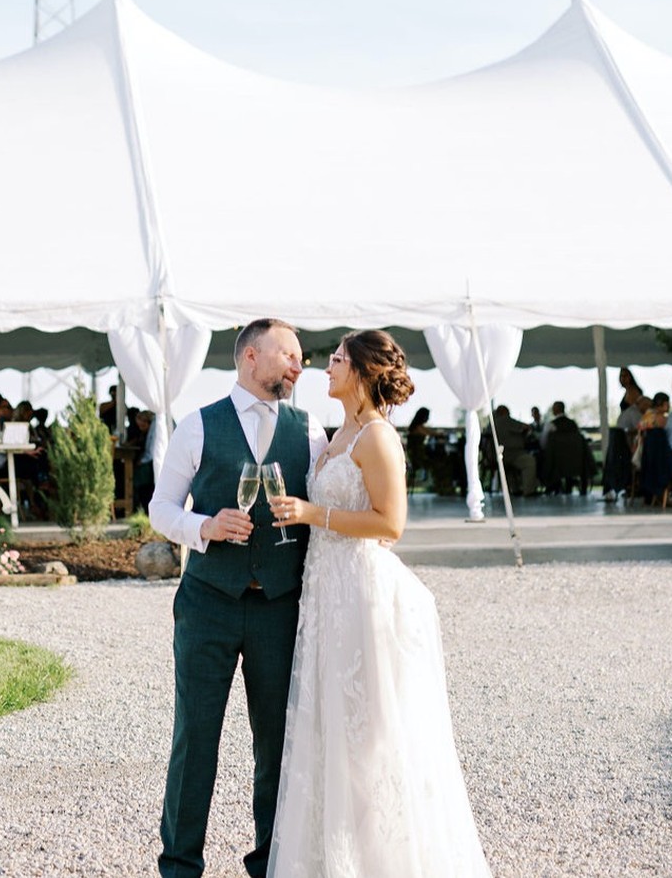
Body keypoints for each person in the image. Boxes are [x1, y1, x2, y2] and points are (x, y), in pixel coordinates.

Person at [265, 329, 492, 878]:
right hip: (325, 593)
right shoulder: (338, 433)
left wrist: (311, 514)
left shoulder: (377, 437)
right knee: (329, 732)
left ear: (364, 373)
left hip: (362, 594)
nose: (326, 367)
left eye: (338, 360)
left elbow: (391, 525)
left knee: (369, 737)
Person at [149, 319, 328, 878]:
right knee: (195, 738)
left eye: (301, 357)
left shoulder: (312, 429)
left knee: (276, 745)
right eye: (289, 354)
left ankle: (270, 864)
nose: (299, 365)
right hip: (208, 604)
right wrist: (205, 526)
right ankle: (180, 867)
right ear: (251, 355)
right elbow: (162, 509)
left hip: (280, 606)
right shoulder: (197, 426)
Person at [490, 404, 537, 497]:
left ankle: (515, 488)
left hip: (497, 456)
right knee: (529, 462)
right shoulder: (505, 421)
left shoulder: (491, 424)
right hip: (512, 453)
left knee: (510, 469)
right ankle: (528, 491)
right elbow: (525, 427)